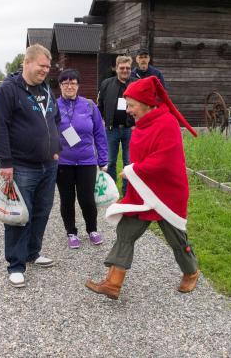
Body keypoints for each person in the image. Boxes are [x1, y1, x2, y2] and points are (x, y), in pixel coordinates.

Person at [86, 76, 200, 300]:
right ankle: (113, 283)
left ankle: (191, 272)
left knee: (176, 239)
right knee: (126, 231)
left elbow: (164, 160)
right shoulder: (141, 125)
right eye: (127, 105)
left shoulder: (166, 123)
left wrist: (131, 170)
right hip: (143, 193)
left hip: (167, 194)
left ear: (146, 103)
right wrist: (134, 172)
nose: (128, 110)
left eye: (131, 105)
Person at [0, 44, 61, 288]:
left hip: (48, 165)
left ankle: (33, 252)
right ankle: (16, 265)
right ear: (27, 62)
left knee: (42, 211)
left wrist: (57, 148)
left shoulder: (46, 90)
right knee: (19, 215)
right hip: (21, 166)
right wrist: (5, 161)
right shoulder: (9, 91)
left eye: (48, 67)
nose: (45, 70)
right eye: (42, 66)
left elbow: (56, 120)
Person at [56, 69, 108, 249]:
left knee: (87, 199)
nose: (69, 86)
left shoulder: (89, 106)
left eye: (73, 83)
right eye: (65, 83)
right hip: (63, 163)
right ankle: (71, 232)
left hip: (87, 161)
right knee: (67, 199)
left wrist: (103, 159)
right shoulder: (54, 107)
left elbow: (100, 134)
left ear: (78, 85)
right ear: (60, 86)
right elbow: (47, 134)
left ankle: (92, 230)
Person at [97, 56, 136, 196]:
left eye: (128, 68)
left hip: (130, 130)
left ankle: (127, 192)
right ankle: (112, 192)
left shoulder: (136, 84)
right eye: (122, 68)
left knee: (129, 162)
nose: (125, 70)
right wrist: (101, 122)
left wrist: (137, 125)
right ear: (116, 68)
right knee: (111, 161)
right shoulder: (106, 84)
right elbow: (100, 105)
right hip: (111, 129)